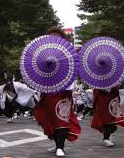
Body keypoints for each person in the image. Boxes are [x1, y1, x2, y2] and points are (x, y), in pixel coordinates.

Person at [33, 27, 81, 157]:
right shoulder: (42, 52)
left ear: (62, 38)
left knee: (62, 117)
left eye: (56, 36)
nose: (53, 38)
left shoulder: (68, 51)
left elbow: (73, 70)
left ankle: (61, 146)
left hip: (63, 90)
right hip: (48, 90)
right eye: (51, 36)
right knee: (50, 117)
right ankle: (56, 144)